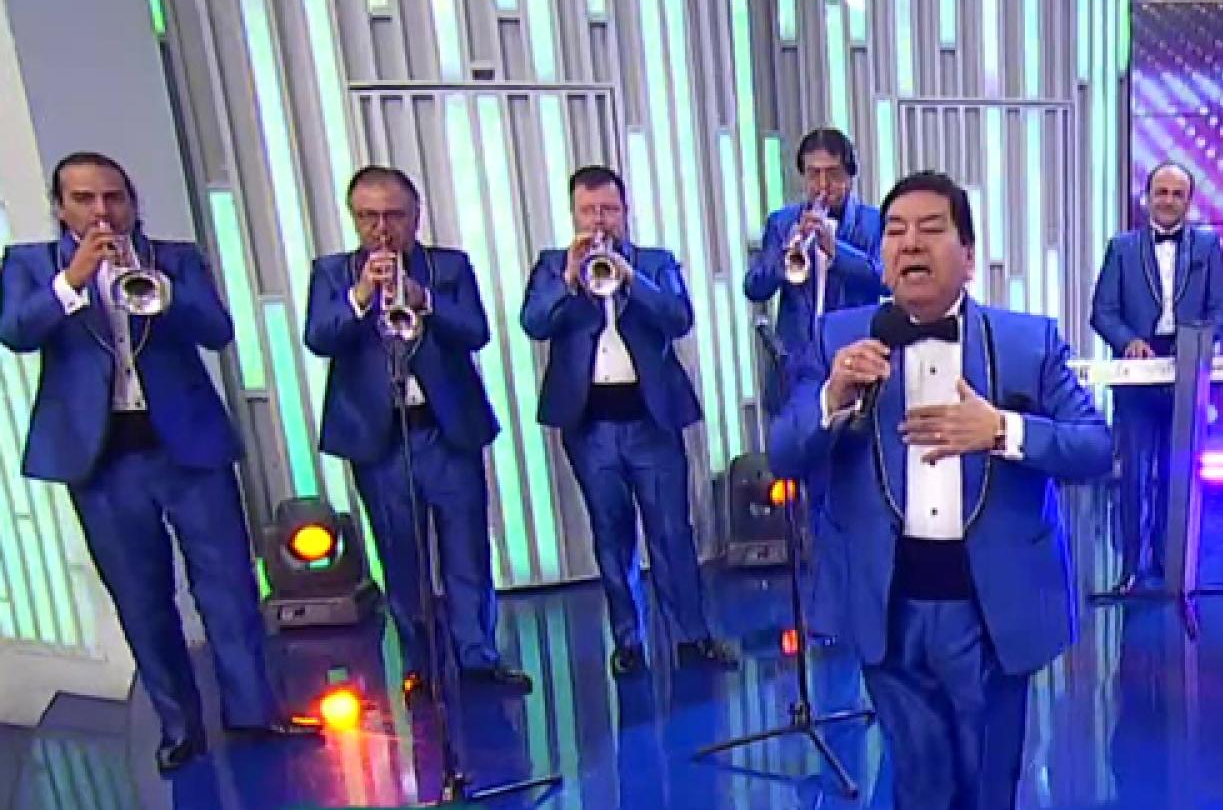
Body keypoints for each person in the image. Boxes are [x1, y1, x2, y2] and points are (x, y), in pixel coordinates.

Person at [770, 171, 1113, 809]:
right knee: (918, 779)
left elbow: (1095, 447)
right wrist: (832, 397)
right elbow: (784, 452)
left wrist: (1003, 430)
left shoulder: (1027, 341)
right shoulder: (836, 338)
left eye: (931, 229)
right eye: (896, 232)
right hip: (886, 600)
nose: (910, 244)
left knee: (987, 781)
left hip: (993, 605)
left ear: (969, 257)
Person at [0, 152, 318, 773]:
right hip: (102, 460)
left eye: (113, 197)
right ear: (60, 207)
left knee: (229, 588)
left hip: (189, 450)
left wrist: (162, 291)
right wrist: (72, 282)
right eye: (85, 199)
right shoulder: (30, 265)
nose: (102, 211)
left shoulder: (175, 258)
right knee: (141, 598)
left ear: (132, 200)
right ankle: (179, 728)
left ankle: (254, 712)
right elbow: (15, 331)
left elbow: (217, 329)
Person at [304, 165, 530, 694]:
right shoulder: (332, 273)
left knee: (467, 552)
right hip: (378, 439)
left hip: (445, 430)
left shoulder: (449, 266)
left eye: (394, 216)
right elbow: (320, 336)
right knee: (400, 556)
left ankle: (477, 657)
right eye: (368, 217)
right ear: (353, 219)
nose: (381, 229)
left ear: (416, 216)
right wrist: (362, 294)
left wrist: (423, 299)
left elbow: (475, 331)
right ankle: (420, 665)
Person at [521, 165, 737, 677]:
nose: (600, 221)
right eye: (588, 210)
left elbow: (679, 318)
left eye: (609, 210)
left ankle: (691, 636)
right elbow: (534, 322)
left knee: (672, 534)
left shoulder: (655, 262)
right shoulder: (552, 266)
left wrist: (630, 279)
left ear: (625, 211)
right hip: (589, 426)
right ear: (573, 214)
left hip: (651, 422)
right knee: (611, 534)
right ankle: (629, 641)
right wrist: (570, 280)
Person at [743, 127, 886, 640]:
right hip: (801, 371)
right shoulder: (782, 222)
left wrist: (835, 248)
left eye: (833, 174)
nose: (822, 186)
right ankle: (825, 613)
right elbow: (754, 286)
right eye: (813, 175)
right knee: (811, 498)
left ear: (851, 175)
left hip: (859, 365)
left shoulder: (874, 223)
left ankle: (859, 604)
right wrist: (785, 253)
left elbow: (885, 279)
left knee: (855, 493)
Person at [1089, 161, 1223, 592]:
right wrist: (1128, 341)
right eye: (1162, 192)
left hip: (1187, 369)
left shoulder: (1207, 247)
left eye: (1177, 194)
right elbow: (1102, 311)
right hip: (1137, 371)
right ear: (1148, 197)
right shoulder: (1121, 248)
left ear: (1189, 201)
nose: (1168, 201)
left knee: (1179, 472)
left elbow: (1222, 311)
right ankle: (1131, 566)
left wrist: (1199, 342)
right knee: (1133, 473)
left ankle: (1171, 564)